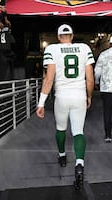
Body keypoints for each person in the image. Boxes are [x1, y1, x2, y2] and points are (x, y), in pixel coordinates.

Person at [36, 24, 95, 190]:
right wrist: (89, 96)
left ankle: (62, 156)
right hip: (79, 96)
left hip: (61, 96)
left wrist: (41, 103)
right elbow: (90, 78)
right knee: (78, 132)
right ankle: (79, 164)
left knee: (60, 128)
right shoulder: (84, 48)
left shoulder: (52, 50)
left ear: (58, 36)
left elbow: (49, 79)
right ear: (72, 35)